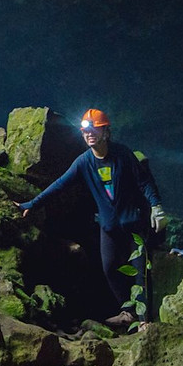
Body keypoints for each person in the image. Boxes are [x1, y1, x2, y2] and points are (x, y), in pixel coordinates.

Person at [18, 108, 165, 327]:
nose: (88, 134)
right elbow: (59, 185)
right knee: (109, 268)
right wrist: (31, 204)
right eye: (85, 131)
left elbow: (144, 182)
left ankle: (145, 322)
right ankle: (128, 312)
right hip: (109, 228)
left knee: (139, 272)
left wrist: (156, 206)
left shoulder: (123, 155)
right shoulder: (84, 162)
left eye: (94, 130)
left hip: (133, 225)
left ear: (106, 132)